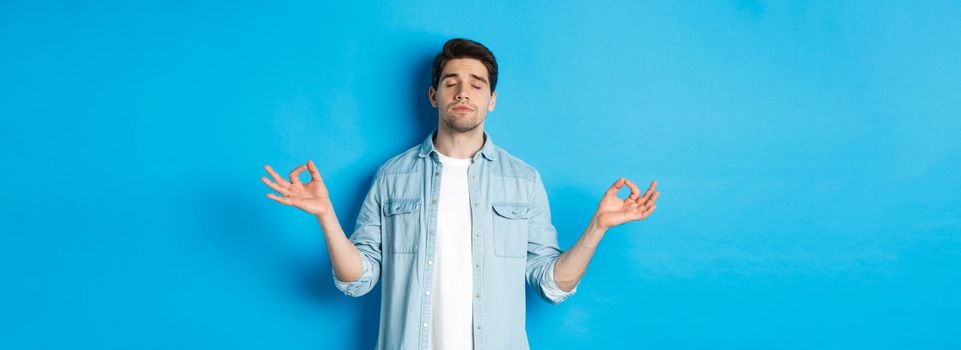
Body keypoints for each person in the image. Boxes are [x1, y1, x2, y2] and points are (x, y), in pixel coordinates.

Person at [261, 38, 659, 349]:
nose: (463, 92)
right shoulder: (392, 176)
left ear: (492, 99)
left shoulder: (523, 180)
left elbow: (550, 285)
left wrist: (597, 227)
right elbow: (358, 280)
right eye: (451, 83)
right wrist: (326, 217)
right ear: (434, 95)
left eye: (476, 84)